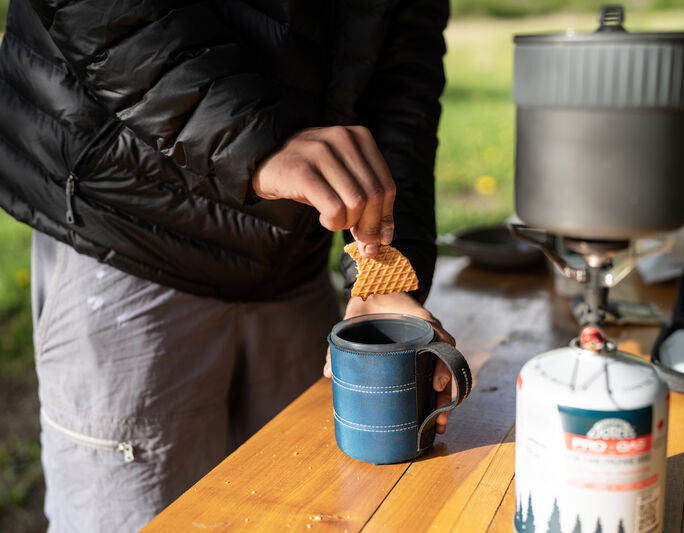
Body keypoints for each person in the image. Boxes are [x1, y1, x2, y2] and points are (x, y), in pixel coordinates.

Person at [0, 0, 454, 530]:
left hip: (293, 266)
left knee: (309, 508)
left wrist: (389, 264)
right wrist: (253, 142)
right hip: (129, 239)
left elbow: (404, 86)